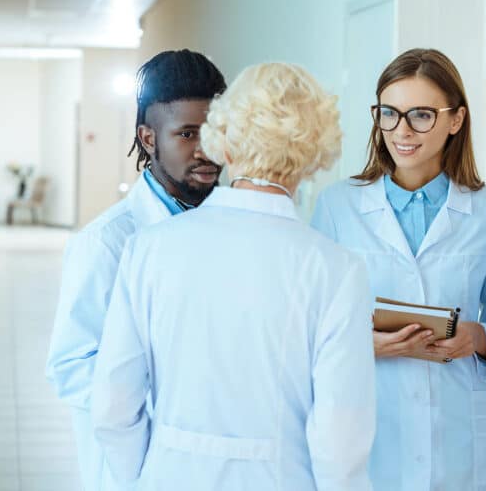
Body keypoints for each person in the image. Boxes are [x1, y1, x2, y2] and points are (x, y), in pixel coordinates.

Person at [91, 62, 377, 490]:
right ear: (317, 156)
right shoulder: (335, 270)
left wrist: (147, 475)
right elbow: (340, 440)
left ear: (222, 140)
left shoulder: (149, 249)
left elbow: (113, 406)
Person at [311, 48, 486, 490]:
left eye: (421, 115)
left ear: (456, 120)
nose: (401, 131)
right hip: (369, 434)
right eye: (389, 113)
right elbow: (312, 328)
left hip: (460, 439)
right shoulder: (337, 205)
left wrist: (474, 338)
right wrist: (367, 344)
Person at [46, 49, 226, 490]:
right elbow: (71, 366)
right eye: (187, 134)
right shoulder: (107, 243)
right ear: (148, 138)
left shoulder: (235, 224)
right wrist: (168, 401)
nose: (207, 151)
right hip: (141, 463)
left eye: (218, 132)